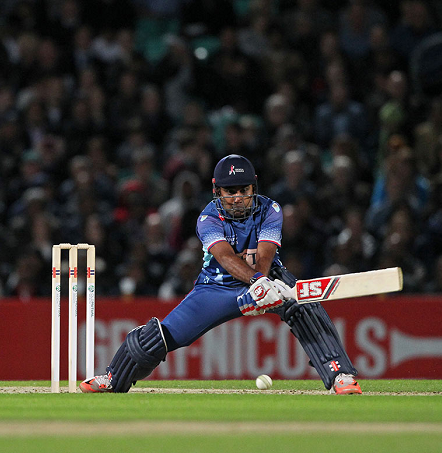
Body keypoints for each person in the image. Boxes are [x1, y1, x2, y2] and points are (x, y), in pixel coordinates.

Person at [80, 154, 362, 395]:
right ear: (217, 191)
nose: (238, 197)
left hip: (266, 276)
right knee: (159, 337)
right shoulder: (207, 218)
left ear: (254, 186)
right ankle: (113, 377)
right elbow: (225, 257)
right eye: (230, 191)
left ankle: (341, 376)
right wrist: (255, 283)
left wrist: (262, 282)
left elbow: (264, 254)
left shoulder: (270, 209)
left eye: (243, 189)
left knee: (303, 307)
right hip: (216, 287)